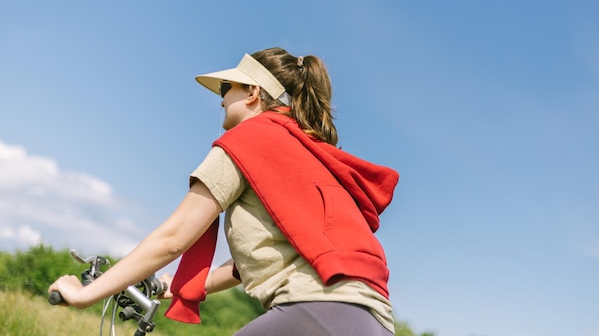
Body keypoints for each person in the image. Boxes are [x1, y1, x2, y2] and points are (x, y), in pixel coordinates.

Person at [49, 47, 400, 336]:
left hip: (316, 312)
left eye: (225, 89)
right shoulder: (308, 155)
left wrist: (85, 294)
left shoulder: (249, 140)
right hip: (373, 321)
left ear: (253, 93)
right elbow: (249, 263)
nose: (220, 100)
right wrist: (179, 286)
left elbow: (173, 237)